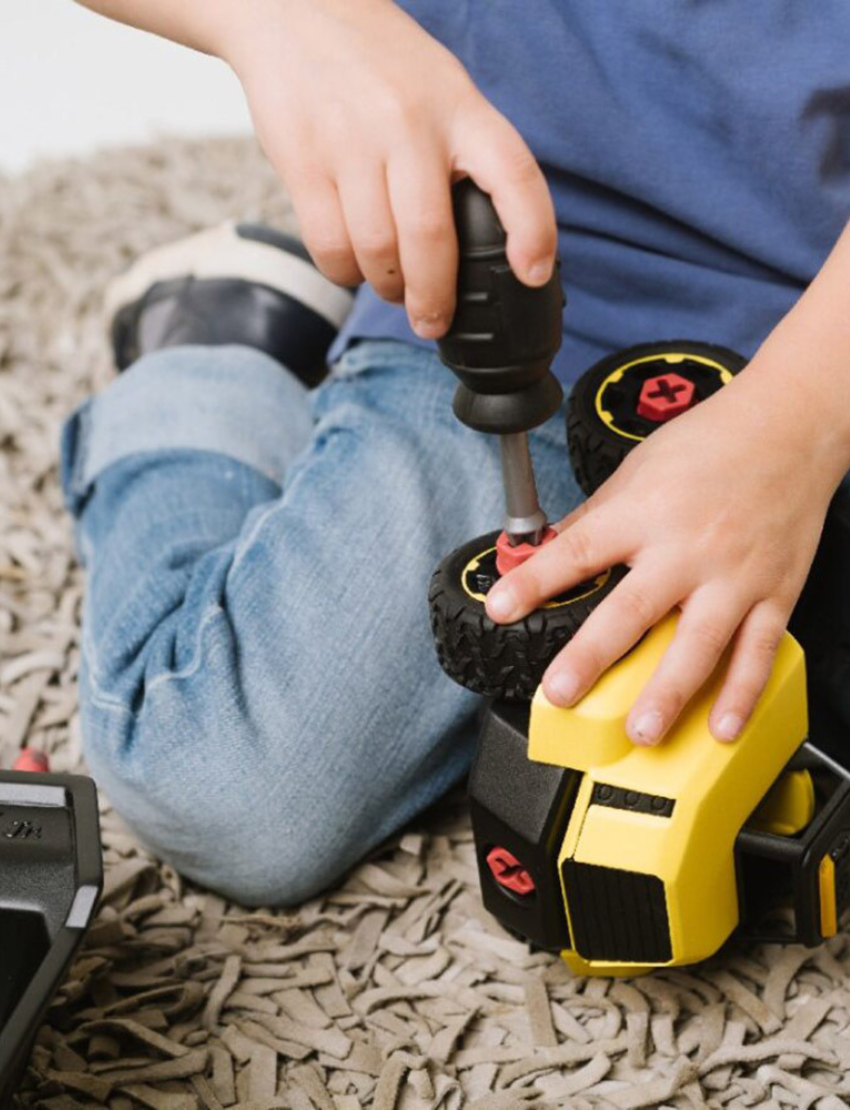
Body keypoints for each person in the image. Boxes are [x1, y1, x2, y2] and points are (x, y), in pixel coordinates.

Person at [66, 0, 850, 904]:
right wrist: (289, 22)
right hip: (522, 275)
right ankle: (215, 343)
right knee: (230, 781)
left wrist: (798, 420)